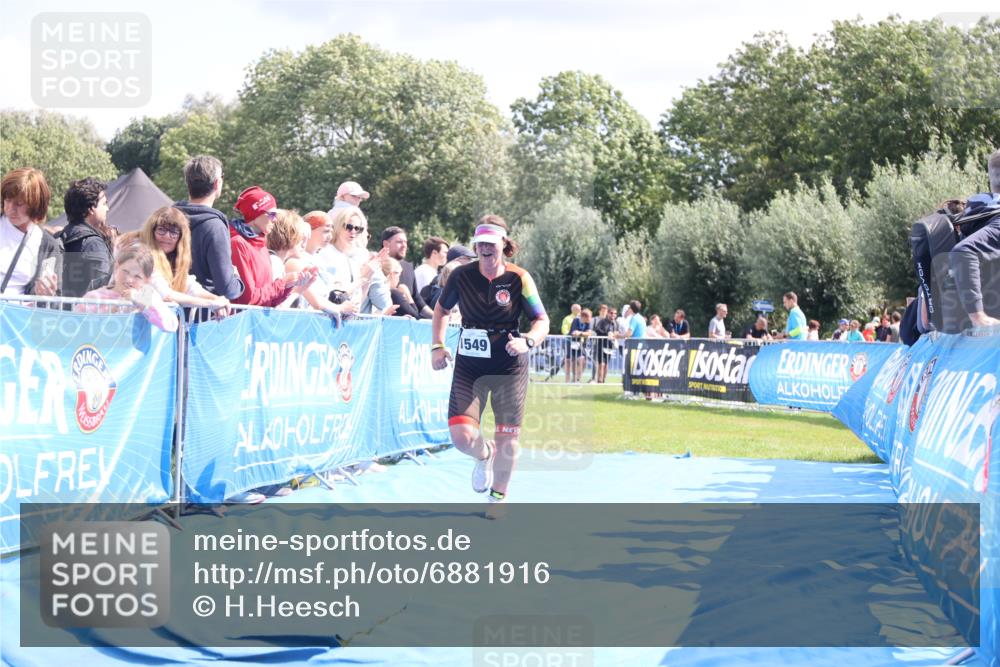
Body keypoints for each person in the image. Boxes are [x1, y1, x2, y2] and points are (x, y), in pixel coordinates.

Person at [430, 215, 548, 519]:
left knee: (508, 437)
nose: (485, 249)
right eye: (480, 244)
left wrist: (529, 342)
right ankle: (484, 454)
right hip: (471, 365)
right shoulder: (461, 276)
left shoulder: (519, 278)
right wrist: (437, 345)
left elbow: (541, 320)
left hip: (509, 365)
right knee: (461, 437)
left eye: (491, 244)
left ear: (503, 245)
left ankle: (498, 497)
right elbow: (442, 309)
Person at [229, 186, 316, 306]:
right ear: (255, 214)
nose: (275, 220)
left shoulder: (261, 245)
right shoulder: (238, 243)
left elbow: (270, 302)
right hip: (244, 322)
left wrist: (290, 286)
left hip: (258, 321)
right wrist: (283, 283)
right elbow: (248, 299)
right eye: (272, 215)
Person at [173, 156, 244, 301]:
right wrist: (236, 279)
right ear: (218, 183)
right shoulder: (215, 227)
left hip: (168, 312)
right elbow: (227, 288)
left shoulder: (166, 219)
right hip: (205, 317)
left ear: (188, 184)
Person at [139, 206, 231, 310]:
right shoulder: (142, 255)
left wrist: (218, 299)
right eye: (161, 229)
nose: (167, 236)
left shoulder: (172, 260)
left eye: (173, 232)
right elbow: (166, 295)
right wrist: (210, 303)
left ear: (181, 237)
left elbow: (192, 288)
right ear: (152, 231)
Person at [77, 244, 178, 332]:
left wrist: (142, 303)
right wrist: (113, 310)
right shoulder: (94, 297)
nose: (129, 280)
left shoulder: (148, 295)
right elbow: (77, 327)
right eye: (125, 271)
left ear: (147, 280)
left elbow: (171, 325)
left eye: (137, 276)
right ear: (116, 267)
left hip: (136, 354)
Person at [1, 168, 61, 297]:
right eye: (7, 200)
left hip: (15, 315)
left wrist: (47, 294)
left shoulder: (47, 245)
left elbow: (53, 300)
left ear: (36, 205)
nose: (10, 208)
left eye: (19, 203)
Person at [58, 177, 114, 297]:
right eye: (104, 204)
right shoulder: (94, 244)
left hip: (58, 312)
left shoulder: (57, 238)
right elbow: (102, 290)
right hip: (87, 313)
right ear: (91, 209)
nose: (107, 209)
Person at [381, 226, 433, 319]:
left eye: (405, 242)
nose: (404, 245)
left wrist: (437, 316)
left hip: (410, 324)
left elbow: (417, 298)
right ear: (386, 244)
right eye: (399, 242)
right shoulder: (377, 266)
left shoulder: (408, 267)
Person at [592, 304, 616, 383]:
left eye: (615, 313)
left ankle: (603, 380)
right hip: (601, 345)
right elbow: (597, 330)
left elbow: (617, 332)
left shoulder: (615, 323)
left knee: (606, 364)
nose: (613, 315)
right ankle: (599, 380)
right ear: (608, 313)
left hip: (610, 346)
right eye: (611, 313)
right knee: (601, 364)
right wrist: (607, 333)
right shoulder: (602, 321)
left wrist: (614, 334)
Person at [568, 307, 593, 382]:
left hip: (580, 344)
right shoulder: (576, 320)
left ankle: (578, 378)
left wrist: (581, 333)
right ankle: (574, 378)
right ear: (584, 317)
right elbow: (574, 333)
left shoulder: (588, 323)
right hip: (571, 342)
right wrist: (581, 334)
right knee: (574, 361)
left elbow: (589, 333)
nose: (590, 319)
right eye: (589, 317)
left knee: (583, 361)